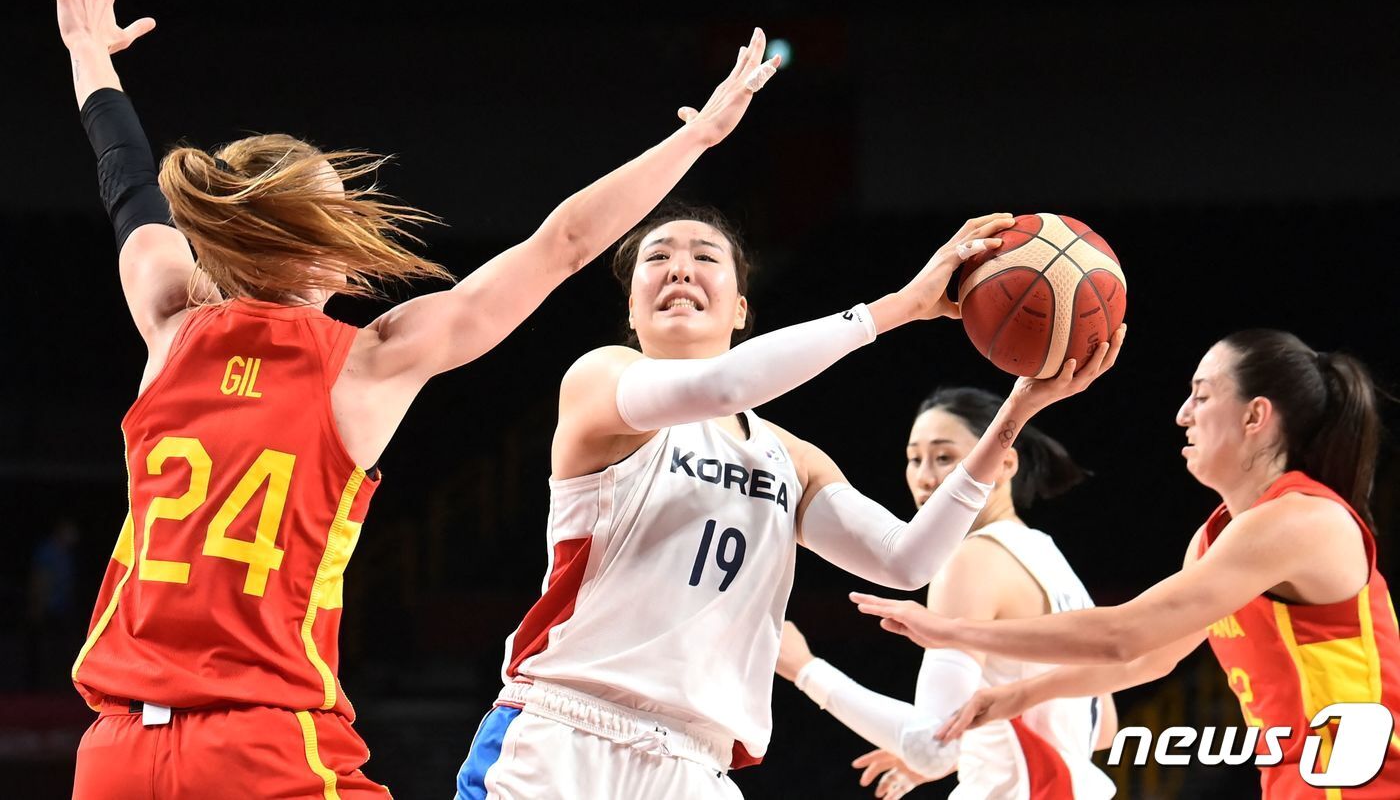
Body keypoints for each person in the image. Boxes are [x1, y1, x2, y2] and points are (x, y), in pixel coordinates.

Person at [36, 0, 781, 800]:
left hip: (115, 751)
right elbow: (565, 244)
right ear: (320, 252)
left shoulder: (166, 321)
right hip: (264, 744)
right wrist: (697, 141)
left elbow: (126, 180)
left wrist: (91, 55)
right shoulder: (370, 361)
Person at [455, 201, 1126, 799]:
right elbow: (721, 387)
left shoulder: (789, 457)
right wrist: (898, 305)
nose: (679, 267)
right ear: (631, 308)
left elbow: (907, 559)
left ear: (742, 307)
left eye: (704, 256)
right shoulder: (601, 380)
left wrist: (1017, 408)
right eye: (657, 257)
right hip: (565, 733)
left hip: (695, 762)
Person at [854, 330, 1400, 798]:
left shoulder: (1300, 521)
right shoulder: (1218, 541)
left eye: (1202, 396)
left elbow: (1124, 635)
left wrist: (950, 630)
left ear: (1256, 416)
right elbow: (1148, 660)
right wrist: (1015, 697)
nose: (1182, 414)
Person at [776, 385, 1118, 799]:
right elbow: (1102, 727)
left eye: (944, 457)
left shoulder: (971, 560)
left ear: (1005, 462)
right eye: (914, 459)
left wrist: (805, 669)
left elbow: (931, 747)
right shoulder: (1049, 559)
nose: (924, 477)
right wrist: (971, 746)